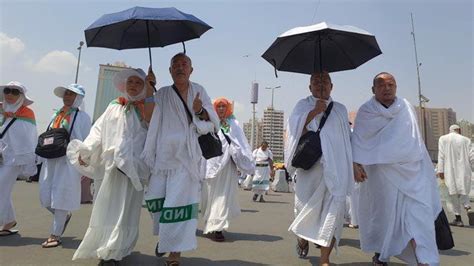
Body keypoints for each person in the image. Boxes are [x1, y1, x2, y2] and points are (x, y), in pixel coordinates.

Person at [352, 72, 441, 265]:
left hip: (412, 175)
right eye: (382, 85)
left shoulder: (406, 107)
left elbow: (414, 140)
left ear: (396, 87)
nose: (387, 88)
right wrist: (356, 164)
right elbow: (359, 141)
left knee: (419, 218)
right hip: (380, 177)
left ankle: (425, 259)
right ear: (373, 89)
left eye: (391, 85)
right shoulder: (366, 111)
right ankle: (381, 254)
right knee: (384, 218)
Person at [70, 67, 155, 265]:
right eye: (130, 82)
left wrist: (151, 96)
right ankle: (106, 248)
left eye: (138, 83)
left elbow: (155, 132)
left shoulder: (148, 107)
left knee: (126, 209)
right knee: (106, 207)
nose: (133, 86)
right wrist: (87, 150)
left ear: (144, 85)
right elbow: (98, 130)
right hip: (111, 166)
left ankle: (117, 250)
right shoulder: (114, 106)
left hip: (134, 167)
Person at [141, 53, 219, 266]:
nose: (180, 67)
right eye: (175, 64)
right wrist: (149, 90)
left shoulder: (199, 90)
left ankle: (174, 253)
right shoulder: (163, 93)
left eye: (184, 64)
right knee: (155, 202)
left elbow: (213, 121)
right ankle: (166, 237)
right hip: (163, 158)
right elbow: (148, 117)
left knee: (178, 205)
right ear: (169, 71)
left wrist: (200, 110)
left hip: (187, 160)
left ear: (191, 70)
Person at [285, 72, 353, 265]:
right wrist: (314, 112)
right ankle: (302, 238)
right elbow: (293, 131)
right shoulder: (302, 105)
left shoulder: (340, 109)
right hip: (309, 170)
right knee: (303, 210)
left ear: (332, 86)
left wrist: (353, 165)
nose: (320, 84)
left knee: (334, 213)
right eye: (316, 81)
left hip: (335, 170)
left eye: (325, 81)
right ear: (309, 87)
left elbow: (347, 139)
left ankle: (325, 259)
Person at [39, 84, 91, 248]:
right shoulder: (56, 114)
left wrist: (83, 158)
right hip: (51, 158)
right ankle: (63, 216)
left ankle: (55, 234)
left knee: (61, 196)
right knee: (45, 196)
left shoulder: (83, 117)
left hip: (68, 161)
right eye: (66, 94)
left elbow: (86, 138)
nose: (67, 97)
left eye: (72, 94)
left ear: (79, 98)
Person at [201, 97, 255, 242]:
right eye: (218, 107)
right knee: (209, 197)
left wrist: (243, 158)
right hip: (211, 165)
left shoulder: (234, 123)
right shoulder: (208, 122)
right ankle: (210, 223)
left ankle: (218, 228)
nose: (221, 109)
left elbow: (241, 142)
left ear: (228, 108)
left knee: (223, 197)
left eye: (223, 106)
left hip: (228, 166)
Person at [0, 82, 37, 237]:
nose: (9, 94)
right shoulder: (2, 111)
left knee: (1, 188)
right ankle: (9, 220)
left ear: (21, 96)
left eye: (15, 92)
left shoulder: (27, 113)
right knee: (3, 190)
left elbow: (28, 139)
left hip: (15, 158)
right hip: (2, 156)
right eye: (7, 90)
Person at [437, 124, 474, 226]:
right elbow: (472, 157)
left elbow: (441, 155)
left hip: (450, 171)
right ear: (459, 130)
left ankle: (458, 219)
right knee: (463, 193)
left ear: (450, 130)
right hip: (464, 171)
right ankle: (468, 208)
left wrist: (440, 170)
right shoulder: (466, 140)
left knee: (453, 195)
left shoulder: (443, 139)